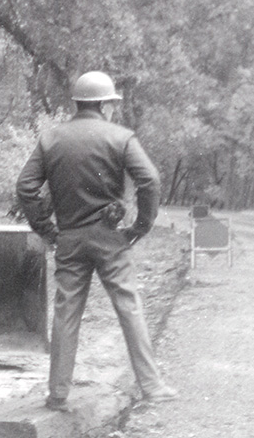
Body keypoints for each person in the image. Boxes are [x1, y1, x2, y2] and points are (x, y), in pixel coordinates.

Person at [16, 70, 178, 410]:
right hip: (110, 238)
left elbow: (26, 188)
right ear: (105, 104)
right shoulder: (121, 137)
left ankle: (58, 394)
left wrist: (47, 229)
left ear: (78, 102)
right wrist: (140, 227)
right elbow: (150, 180)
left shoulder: (51, 139)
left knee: (66, 312)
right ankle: (151, 386)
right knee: (128, 306)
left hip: (69, 239)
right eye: (112, 104)